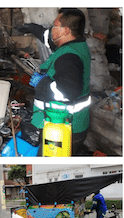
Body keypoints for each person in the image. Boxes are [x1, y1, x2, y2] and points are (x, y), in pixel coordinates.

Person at [20, 9, 91, 155]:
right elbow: (49, 38)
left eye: (54, 26)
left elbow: (68, 92)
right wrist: (33, 28)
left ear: (65, 31)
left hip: (64, 127)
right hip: (63, 123)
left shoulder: (69, 57)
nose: (51, 30)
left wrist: (42, 83)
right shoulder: (73, 44)